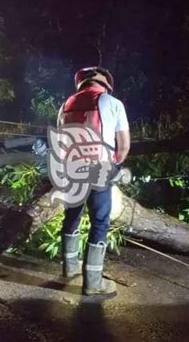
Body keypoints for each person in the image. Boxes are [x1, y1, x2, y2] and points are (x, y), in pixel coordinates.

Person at [57, 66, 130, 296]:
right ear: (105, 84)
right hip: (99, 169)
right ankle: (93, 283)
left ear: (81, 84)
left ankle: (69, 270)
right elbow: (124, 145)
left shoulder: (66, 104)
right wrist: (115, 164)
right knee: (99, 221)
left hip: (71, 169)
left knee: (71, 217)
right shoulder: (113, 103)